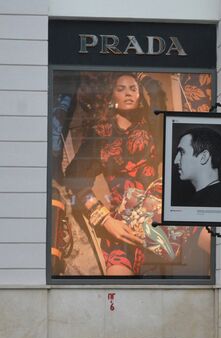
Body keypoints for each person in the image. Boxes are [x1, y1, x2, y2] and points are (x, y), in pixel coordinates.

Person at [64, 73, 204, 276]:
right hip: (124, 221)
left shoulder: (151, 126)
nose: (128, 93)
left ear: (140, 95)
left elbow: (158, 94)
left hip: (160, 208)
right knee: (117, 278)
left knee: (211, 238)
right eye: (120, 89)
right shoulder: (100, 135)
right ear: (111, 96)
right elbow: (74, 179)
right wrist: (105, 220)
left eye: (133, 88)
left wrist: (143, 77)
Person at [173, 127, 221, 207]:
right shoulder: (220, 197)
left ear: (204, 157)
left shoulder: (210, 202)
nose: (175, 161)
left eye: (182, 152)